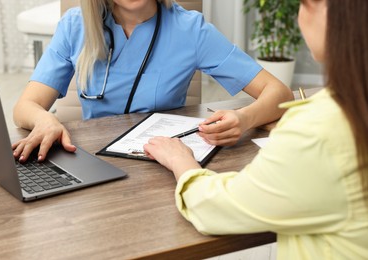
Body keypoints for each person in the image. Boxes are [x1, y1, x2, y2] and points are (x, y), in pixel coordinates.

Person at [143, 0, 368, 259]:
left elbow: (214, 207)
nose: (298, 16)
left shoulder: (317, 132)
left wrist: (180, 159)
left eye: (305, 4)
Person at [12, 0, 293, 162]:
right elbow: (26, 106)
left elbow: (279, 93)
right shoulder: (75, 25)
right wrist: (44, 120)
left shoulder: (190, 30)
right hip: (92, 159)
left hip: (162, 161)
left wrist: (244, 119)